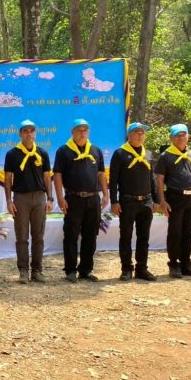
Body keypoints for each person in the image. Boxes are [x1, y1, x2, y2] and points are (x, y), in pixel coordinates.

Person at [53, 118, 108, 283]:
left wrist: (105, 194)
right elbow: (57, 175)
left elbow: (101, 174)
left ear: (88, 132)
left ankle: (85, 270)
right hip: (73, 199)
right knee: (71, 235)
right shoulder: (63, 151)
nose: (82, 133)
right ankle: (70, 270)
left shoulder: (96, 150)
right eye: (79, 130)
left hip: (93, 199)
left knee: (91, 235)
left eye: (85, 130)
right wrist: (60, 197)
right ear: (72, 132)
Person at [3, 119, 52, 284]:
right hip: (21, 198)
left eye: (32, 130)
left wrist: (50, 198)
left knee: (38, 236)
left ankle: (37, 270)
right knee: (21, 236)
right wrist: (8, 200)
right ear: (20, 134)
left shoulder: (42, 153)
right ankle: (23, 271)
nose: (29, 134)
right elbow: (8, 179)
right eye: (25, 131)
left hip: (39, 197)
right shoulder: (12, 154)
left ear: (35, 133)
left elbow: (47, 177)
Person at [109, 121, 158, 281]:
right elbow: (113, 180)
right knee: (126, 236)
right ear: (129, 135)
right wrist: (114, 201)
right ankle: (126, 269)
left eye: (142, 132)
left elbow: (152, 178)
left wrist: (156, 199)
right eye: (136, 132)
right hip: (128, 201)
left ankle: (142, 268)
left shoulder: (147, 154)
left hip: (146, 201)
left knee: (144, 237)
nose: (140, 135)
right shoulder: (120, 153)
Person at [154, 124, 191, 278]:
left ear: (188, 137)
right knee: (175, 232)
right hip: (175, 197)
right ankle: (174, 264)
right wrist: (162, 200)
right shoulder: (166, 156)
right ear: (171, 138)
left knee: (188, 232)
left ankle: (186, 264)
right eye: (177, 135)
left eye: (183, 135)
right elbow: (160, 179)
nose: (181, 138)